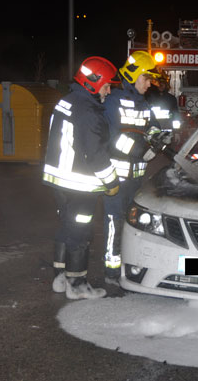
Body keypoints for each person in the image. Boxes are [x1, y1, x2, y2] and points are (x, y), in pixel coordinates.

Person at [42, 56, 121, 300]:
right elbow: (95, 154)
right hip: (79, 184)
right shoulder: (89, 111)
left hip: (59, 181)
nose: (108, 91)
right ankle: (76, 285)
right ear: (93, 83)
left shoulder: (68, 100)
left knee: (66, 227)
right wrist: (112, 182)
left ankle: (60, 277)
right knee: (80, 233)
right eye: (106, 85)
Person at [102, 51, 167, 284]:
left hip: (136, 179)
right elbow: (112, 137)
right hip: (117, 178)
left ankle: (131, 266)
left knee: (134, 224)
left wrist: (158, 136)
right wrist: (139, 151)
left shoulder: (142, 102)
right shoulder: (113, 101)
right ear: (133, 75)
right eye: (146, 78)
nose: (149, 84)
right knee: (114, 222)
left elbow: (151, 125)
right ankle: (111, 271)